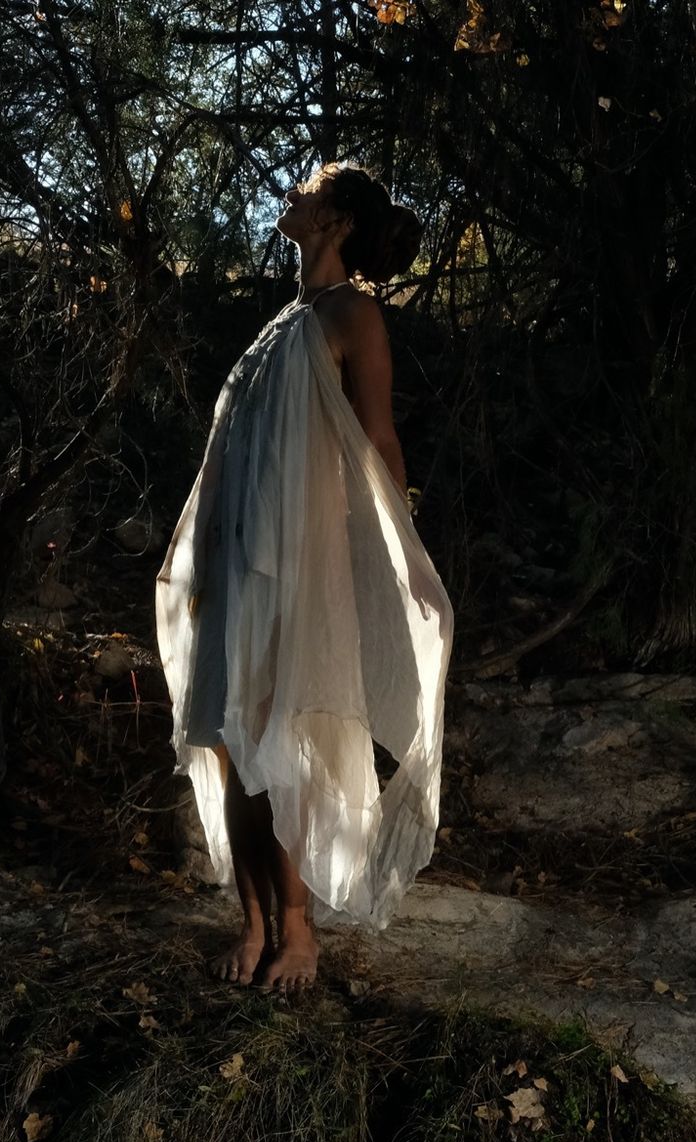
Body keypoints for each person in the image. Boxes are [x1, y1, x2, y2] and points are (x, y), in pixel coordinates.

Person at [154, 161, 453, 995]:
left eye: (310, 191)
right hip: (237, 551)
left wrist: (402, 556)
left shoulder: (354, 315)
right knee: (224, 734)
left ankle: (298, 930)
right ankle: (251, 918)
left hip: (299, 556)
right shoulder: (281, 323)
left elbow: (379, 440)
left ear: (337, 221)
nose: (292, 194)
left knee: (277, 732)